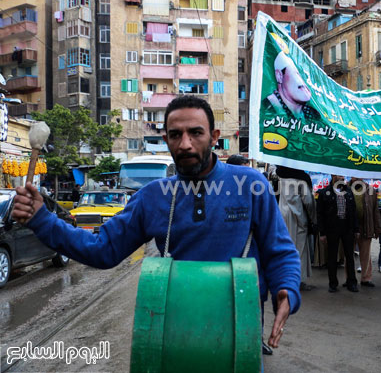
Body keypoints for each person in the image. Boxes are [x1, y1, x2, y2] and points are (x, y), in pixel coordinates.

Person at [11, 95, 301, 351]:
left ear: (214, 136)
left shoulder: (251, 185)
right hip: (175, 335)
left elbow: (280, 251)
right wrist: (42, 219)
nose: (185, 144)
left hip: (240, 333)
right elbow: (101, 249)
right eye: (175, 135)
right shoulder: (152, 198)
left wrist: (286, 289)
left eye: (195, 133)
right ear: (166, 139)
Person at [317, 175, 359, 293]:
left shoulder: (349, 192)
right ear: (333, 175)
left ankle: (352, 282)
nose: (341, 176)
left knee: (349, 257)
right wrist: (322, 232)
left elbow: (353, 211)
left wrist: (356, 229)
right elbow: (320, 214)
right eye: (338, 174)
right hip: (332, 229)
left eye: (342, 174)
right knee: (332, 257)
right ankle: (333, 284)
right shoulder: (325, 193)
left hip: (347, 228)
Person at [277, 166, 316, 291]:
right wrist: (314, 220)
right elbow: (309, 202)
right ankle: (298, 281)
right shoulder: (302, 180)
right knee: (300, 249)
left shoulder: (280, 175)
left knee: (284, 249)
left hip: (282, 216)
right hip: (297, 217)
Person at [263, 51, 320, 120]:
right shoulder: (265, 109)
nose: (304, 82)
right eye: (297, 74)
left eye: (308, 78)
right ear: (279, 76)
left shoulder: (314, 115)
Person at [350, 178, 381, 287]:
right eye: (354, 175)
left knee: (365, 254)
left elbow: (375, 210)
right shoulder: (345, 188)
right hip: (350, 228)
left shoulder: (370, 189)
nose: (357, 177)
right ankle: (349, 279)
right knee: (348, 255)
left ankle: (366, 279)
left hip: (366, 226)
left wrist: (377, 229)